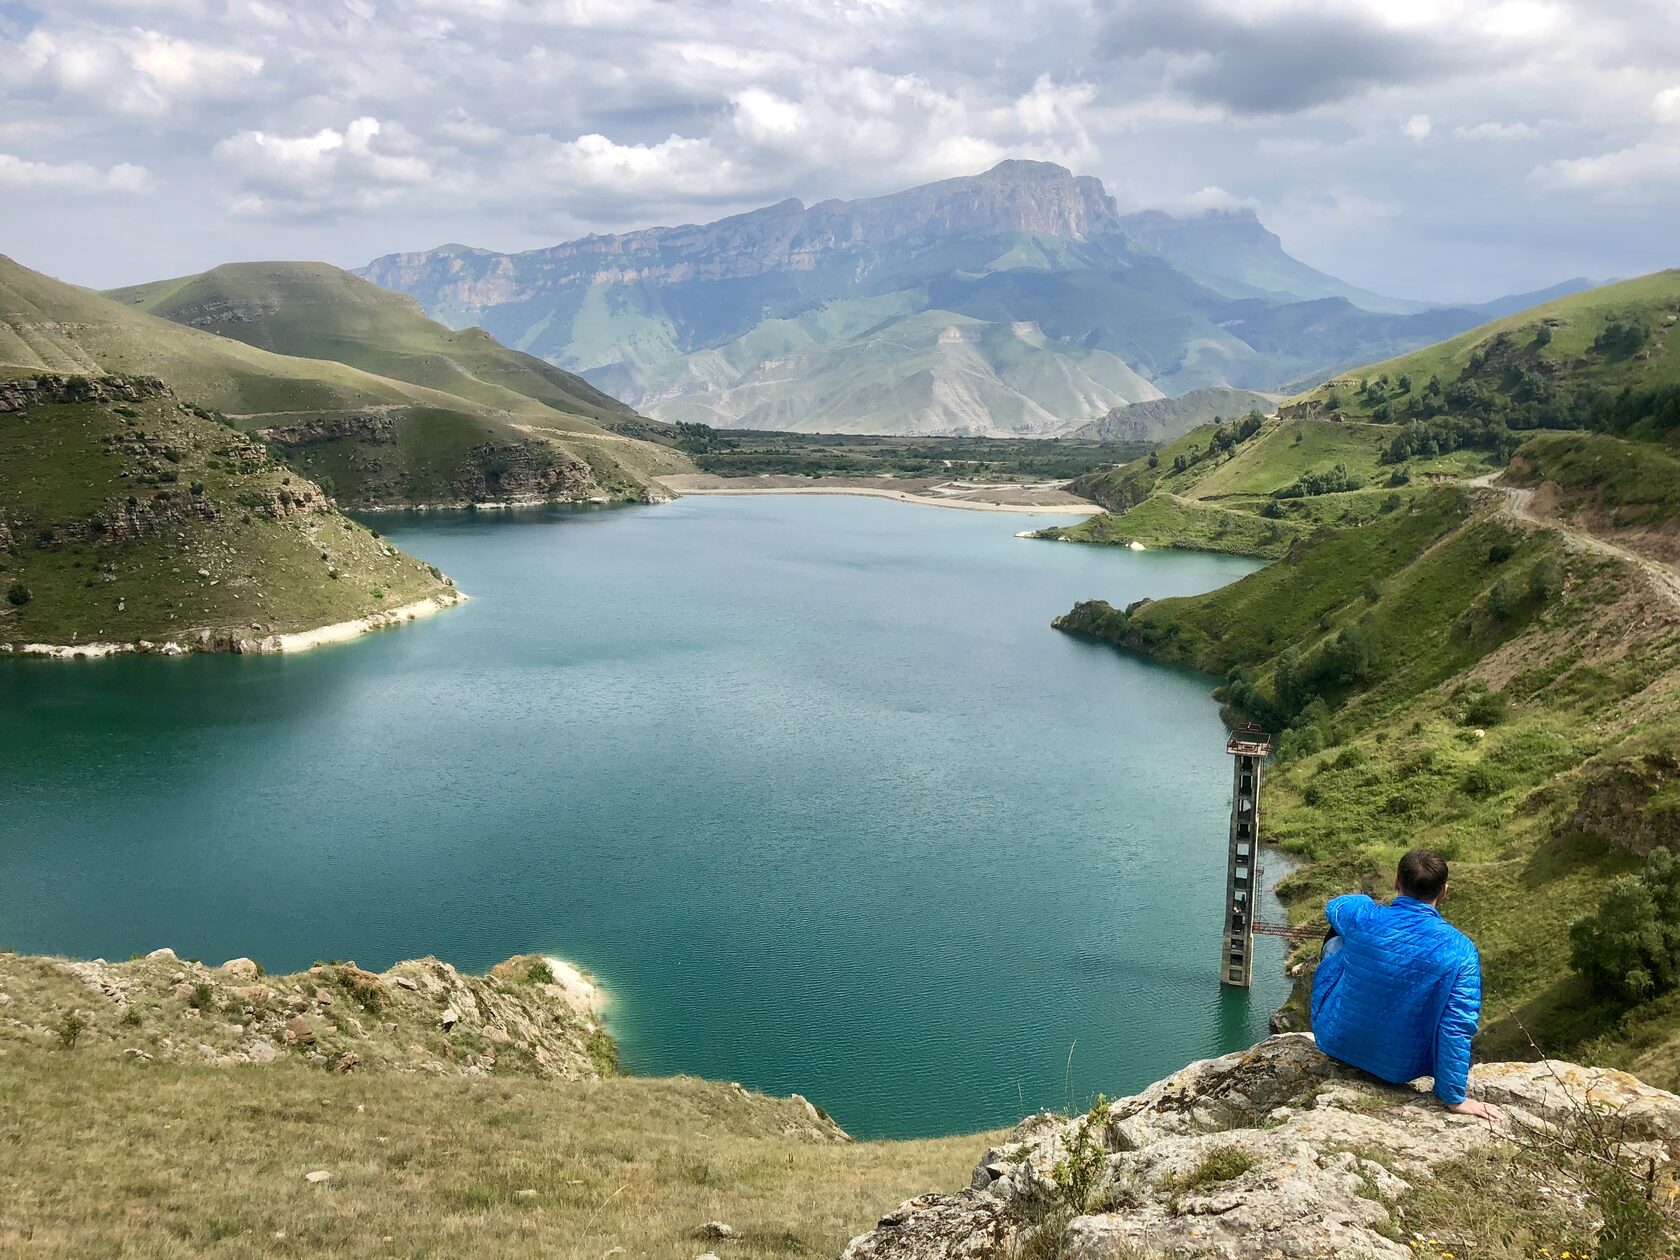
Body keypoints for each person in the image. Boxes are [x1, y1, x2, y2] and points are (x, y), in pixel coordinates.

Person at [1310, 848, 1505, 1122]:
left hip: (1336, 1042)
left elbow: (1336, 906)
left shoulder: (1365, 917)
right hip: (1400, 1067)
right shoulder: (1461, 950)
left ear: (1396, 882)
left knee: (1340, 938)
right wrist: (1454, 1097)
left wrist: (1369, 902)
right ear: (1444, 892)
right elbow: (1457, 1025)